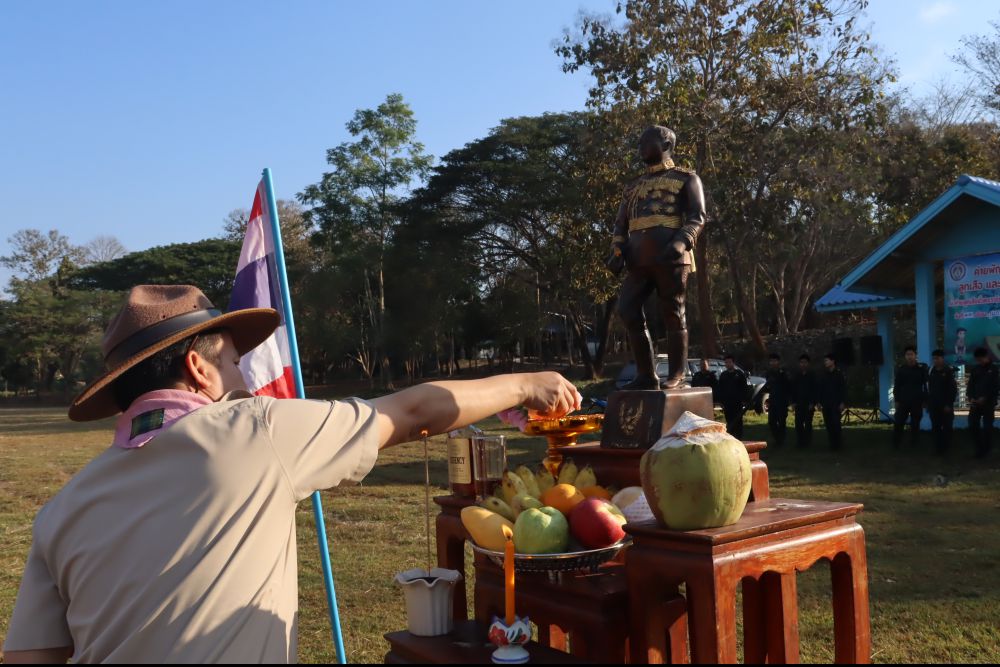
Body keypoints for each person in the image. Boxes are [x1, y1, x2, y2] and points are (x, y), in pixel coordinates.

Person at [2, 285, 582, 664]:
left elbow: (30, 656)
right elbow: (411, 412)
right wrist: (527, 383)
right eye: (235, 362)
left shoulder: (62, 508)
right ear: (199, 368)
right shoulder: (252, 430)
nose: (245, 378)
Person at [606, 125, 706, 389]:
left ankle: (677, 374)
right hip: (637, 260)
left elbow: (697, 217)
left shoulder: (686, 178)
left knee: (673, 312)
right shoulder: (633, 186)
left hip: (670, 257)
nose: (639, 147)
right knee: (627, 310)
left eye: (644, 142)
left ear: (665, 145)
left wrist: (680, 243)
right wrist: (617, 250)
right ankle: (646, 375)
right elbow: (620, 225)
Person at [892, 345, 928, 449]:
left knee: (915, 423)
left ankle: (914, 443)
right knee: (899, 422)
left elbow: (926, 385)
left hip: (917, 400)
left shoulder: (921, 369)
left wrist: (925, 399)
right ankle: (896, 443)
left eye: (911, 354)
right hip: (903, 400)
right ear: (905, 356)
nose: (909, 357)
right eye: (907, 355)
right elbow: (897, 385)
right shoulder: (901, 369)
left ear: (915, 355)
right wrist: (897, 400)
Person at [967, 346, 999, 459]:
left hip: (988, 403)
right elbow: (970, 385)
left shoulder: (994, 369)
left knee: (987, 427)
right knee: (972, 424)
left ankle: (987, 449)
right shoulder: (976, 369)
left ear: (986, 357)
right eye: (977, 360)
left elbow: (995, 387)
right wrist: (971, 397)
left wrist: (985, 397)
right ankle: (979, 449)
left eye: (981, 359)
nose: (979, 362)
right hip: (975, 403)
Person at [927, 349, 957, 456]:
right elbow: (928, 388)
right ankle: (938, 448)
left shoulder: (948, 371)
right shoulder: (931, 370)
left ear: (942, 359)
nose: (935, 360)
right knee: (936, 427)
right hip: (934, 405)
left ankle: (946, 447)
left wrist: (948, 404)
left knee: (947, 426)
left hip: (945, 405)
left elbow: (952, 389)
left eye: (937, 358)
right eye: (934, 358)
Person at [818, 353, 847, 450]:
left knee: (836, 424)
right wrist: (819, 402)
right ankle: (832, 444)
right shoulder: (824, 375)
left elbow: (843, 389)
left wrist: (842, 402)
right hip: (826, 403)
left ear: (833, 361)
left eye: (827, 360)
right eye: (824, 361)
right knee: (829, 424)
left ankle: (838, 444)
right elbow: (821, 389)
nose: (825, 362)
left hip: (836, 403)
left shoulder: (839, 374)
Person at [763, 353, 791, 448]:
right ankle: (777, 439)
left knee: (781, 421)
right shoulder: (769, 373)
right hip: (773, 400)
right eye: (771, 361)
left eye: (774, 361)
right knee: (772, 421)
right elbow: (768, 387)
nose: (773, 363)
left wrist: (788, 400)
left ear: (778, 362)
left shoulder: (783, 373)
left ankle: (781, 441)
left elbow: (788, 386)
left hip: (782, 401)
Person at [717, 354, 747, 439]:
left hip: (737, 403)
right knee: (729, 422)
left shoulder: (739, 374)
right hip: (727, 404)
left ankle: (739, 439)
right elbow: (720, 389)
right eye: (726, 362)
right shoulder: (723, 375)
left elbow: (744, 388)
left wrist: (744, 400)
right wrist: (721, 401)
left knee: (738, 422)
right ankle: (731, 438)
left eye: (729, 362)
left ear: (733, 363)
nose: (727, 364)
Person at [791, 353, 817, 448]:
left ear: (808, 363)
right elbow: (793, 390)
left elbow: (815, 390)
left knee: (808, 423)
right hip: (799, 403)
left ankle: (807, 441)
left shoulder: (812, 375)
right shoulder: (797, 376)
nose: (803, 364)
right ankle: (800, 441)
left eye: (805, 362)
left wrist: (813, 403)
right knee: (798, 423)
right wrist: (793, 402)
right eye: (801, 362)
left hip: (809, 404)